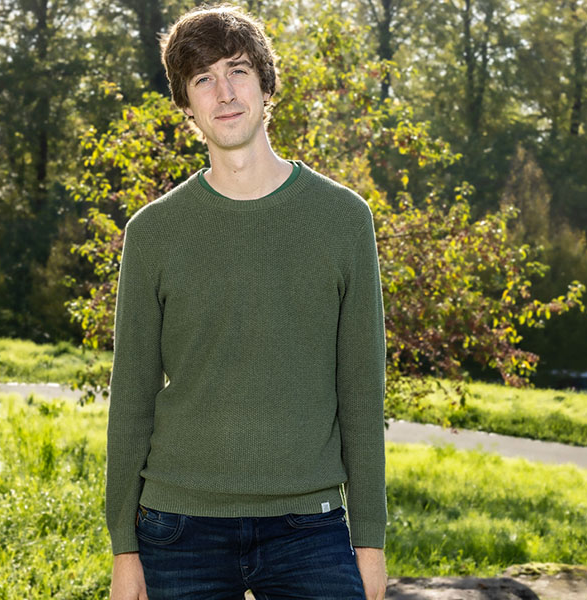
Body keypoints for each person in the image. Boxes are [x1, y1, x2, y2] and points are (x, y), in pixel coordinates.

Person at [105, 5, 388, 600]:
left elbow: (362, 393)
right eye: (203, 79)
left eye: (237, 70)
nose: (225, 93)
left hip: (308, 525)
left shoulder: (343, 220)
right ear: (186, 104)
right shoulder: (153, 232)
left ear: (266, 85)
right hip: (178, 525)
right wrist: (123, 550)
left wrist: (369, 539)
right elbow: (130, 399)